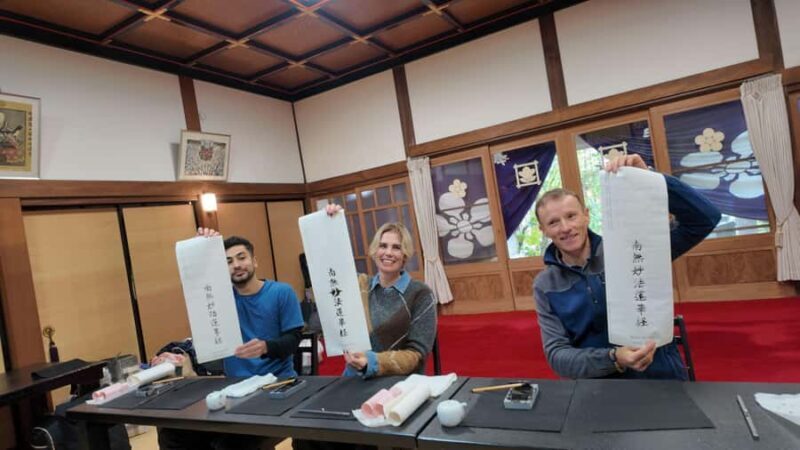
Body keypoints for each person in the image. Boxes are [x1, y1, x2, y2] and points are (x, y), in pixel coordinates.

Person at [533, 154, 721, 380]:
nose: (565, 227)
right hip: (599, 387)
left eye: (571, 216)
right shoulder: (545, 285)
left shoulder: (633, 249)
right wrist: (613, 358)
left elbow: (705, 218)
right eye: (553, 222)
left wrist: (649, 181)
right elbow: (557, 356)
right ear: (543, 230)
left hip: (658, 373)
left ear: (586, 216)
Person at [293, 210, 437, 450]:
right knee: (307, 433)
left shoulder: (420, 293)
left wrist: (371, 361)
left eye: (396, 247)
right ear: (374, 250)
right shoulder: (358, 285)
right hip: (354, 379)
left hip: (398, 385)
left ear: (405, 255)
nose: (388, 253)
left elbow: (417, 354)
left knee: (358, 441)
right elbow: (328, 278)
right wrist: (329, 224)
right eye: (383, 245)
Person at [158, 232, 304, 450]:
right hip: (233, 390)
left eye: (241, 257)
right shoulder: (220, 300)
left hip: (275, 386)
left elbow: (294, 339)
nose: (236, 265)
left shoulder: (281, 292)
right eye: (228, 261)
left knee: (229, 444)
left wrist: (266, 346)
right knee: (173, 436)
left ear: (254, 261)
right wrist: (204, 244)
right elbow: (197, 279)